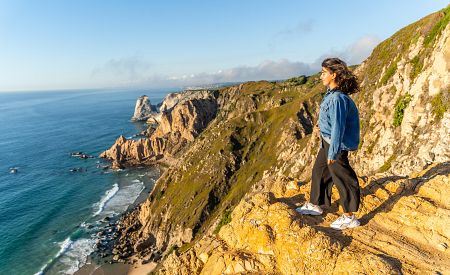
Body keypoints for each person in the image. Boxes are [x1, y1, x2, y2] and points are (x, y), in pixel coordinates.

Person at [296, 57, 361, 230]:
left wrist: (333, 152)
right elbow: (332, 120)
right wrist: (321, 127)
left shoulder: (337, 98)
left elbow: (338, 127)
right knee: (319, 171)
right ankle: (316, 204)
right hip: (328, 140)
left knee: (343, 177)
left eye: (324, 72)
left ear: (334, 74)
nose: (320, 76)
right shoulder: (331, 94)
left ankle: (349, 216)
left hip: (335, 144)